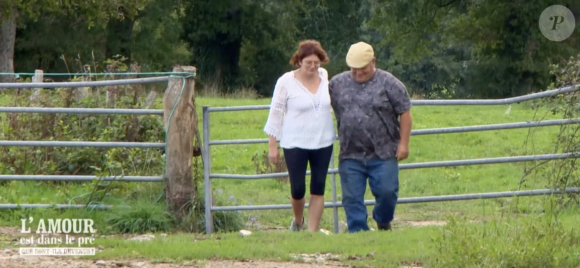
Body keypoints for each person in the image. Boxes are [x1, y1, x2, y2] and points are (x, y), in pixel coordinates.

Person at [328, 41, 413, 233]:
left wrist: (404, 144)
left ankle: (383, 221)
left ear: (373, 61)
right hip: (350, 152)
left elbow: (405, 112)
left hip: (383, 151)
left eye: (363, 68)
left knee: (387, 192)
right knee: (351, 198)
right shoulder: (336, 84)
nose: (358, 73)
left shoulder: (390, 83)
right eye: (354, 69)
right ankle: (358, 233)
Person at [263, 40, 336, 232]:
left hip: (323, 139)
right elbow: (276, 113)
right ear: (299, 62)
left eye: (316, 63)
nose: (313, 67)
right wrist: (273, 144)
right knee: (297, 189)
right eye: (309, 63)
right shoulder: (285, 81)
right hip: (295, 141)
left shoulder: (324, 76)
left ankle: (312, 232)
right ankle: (298, 221)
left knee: (318, 186)